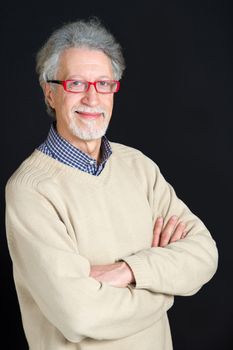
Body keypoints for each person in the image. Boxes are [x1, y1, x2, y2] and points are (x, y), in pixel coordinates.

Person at [5, 17, 218, 350]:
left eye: (103, 83)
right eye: (76, 83)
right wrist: (165, 285)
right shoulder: (31, 190)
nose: (92, 98)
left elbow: (205, 254)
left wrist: (128, 271)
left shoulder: (138, 167)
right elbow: (80, 316)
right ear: (50, 92)